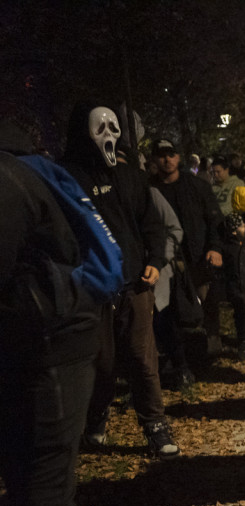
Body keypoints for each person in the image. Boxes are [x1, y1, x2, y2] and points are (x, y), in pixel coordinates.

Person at [1, 118, 123, 506]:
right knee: (34, 487)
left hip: (52, 348)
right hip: (47, 342)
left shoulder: (7, 179)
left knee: (46, 494)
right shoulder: (25, 168)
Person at [62, 103, 179, 457]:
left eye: (114, 128)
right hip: (94, 289)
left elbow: (151, 223)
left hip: (135, 284)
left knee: (143, 359)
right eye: (101, 130)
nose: (110, 137)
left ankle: (155, 424)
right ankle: (96, 418)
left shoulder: (130, 176)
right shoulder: (69, 179)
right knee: (102, 360)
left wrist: (156, 261)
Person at [151, 138, 225, 366]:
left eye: (171, 154)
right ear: (155, 159)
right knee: (172, 308)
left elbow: (214, 220)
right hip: (167, 260)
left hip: (198, 256)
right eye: (162, 155)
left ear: (178, 156)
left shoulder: (197, 186)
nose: (167, 159)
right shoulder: (149, 190)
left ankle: (211, 343)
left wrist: (214, 248)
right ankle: (179, 355)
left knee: (206, 301)